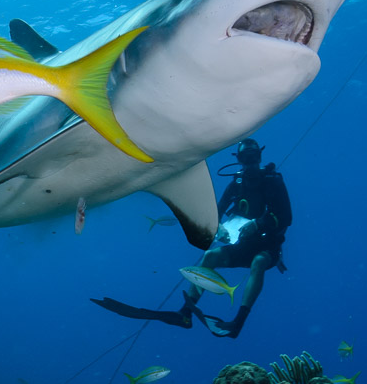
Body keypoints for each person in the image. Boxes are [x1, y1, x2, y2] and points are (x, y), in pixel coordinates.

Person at [92, 138, 291, 339]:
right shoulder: (236, 185)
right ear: (239, 159)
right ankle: (185, 314)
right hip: (244, 245)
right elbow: (216, 211)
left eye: (253, 157)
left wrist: (257, 224)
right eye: (245, 157)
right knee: (210, 257)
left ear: (259, 156)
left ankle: (238, 322)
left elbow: (286, 216)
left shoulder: (273, 181)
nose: (250, 162)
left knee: (259, 262)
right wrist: (218, 227)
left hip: (269, 246)